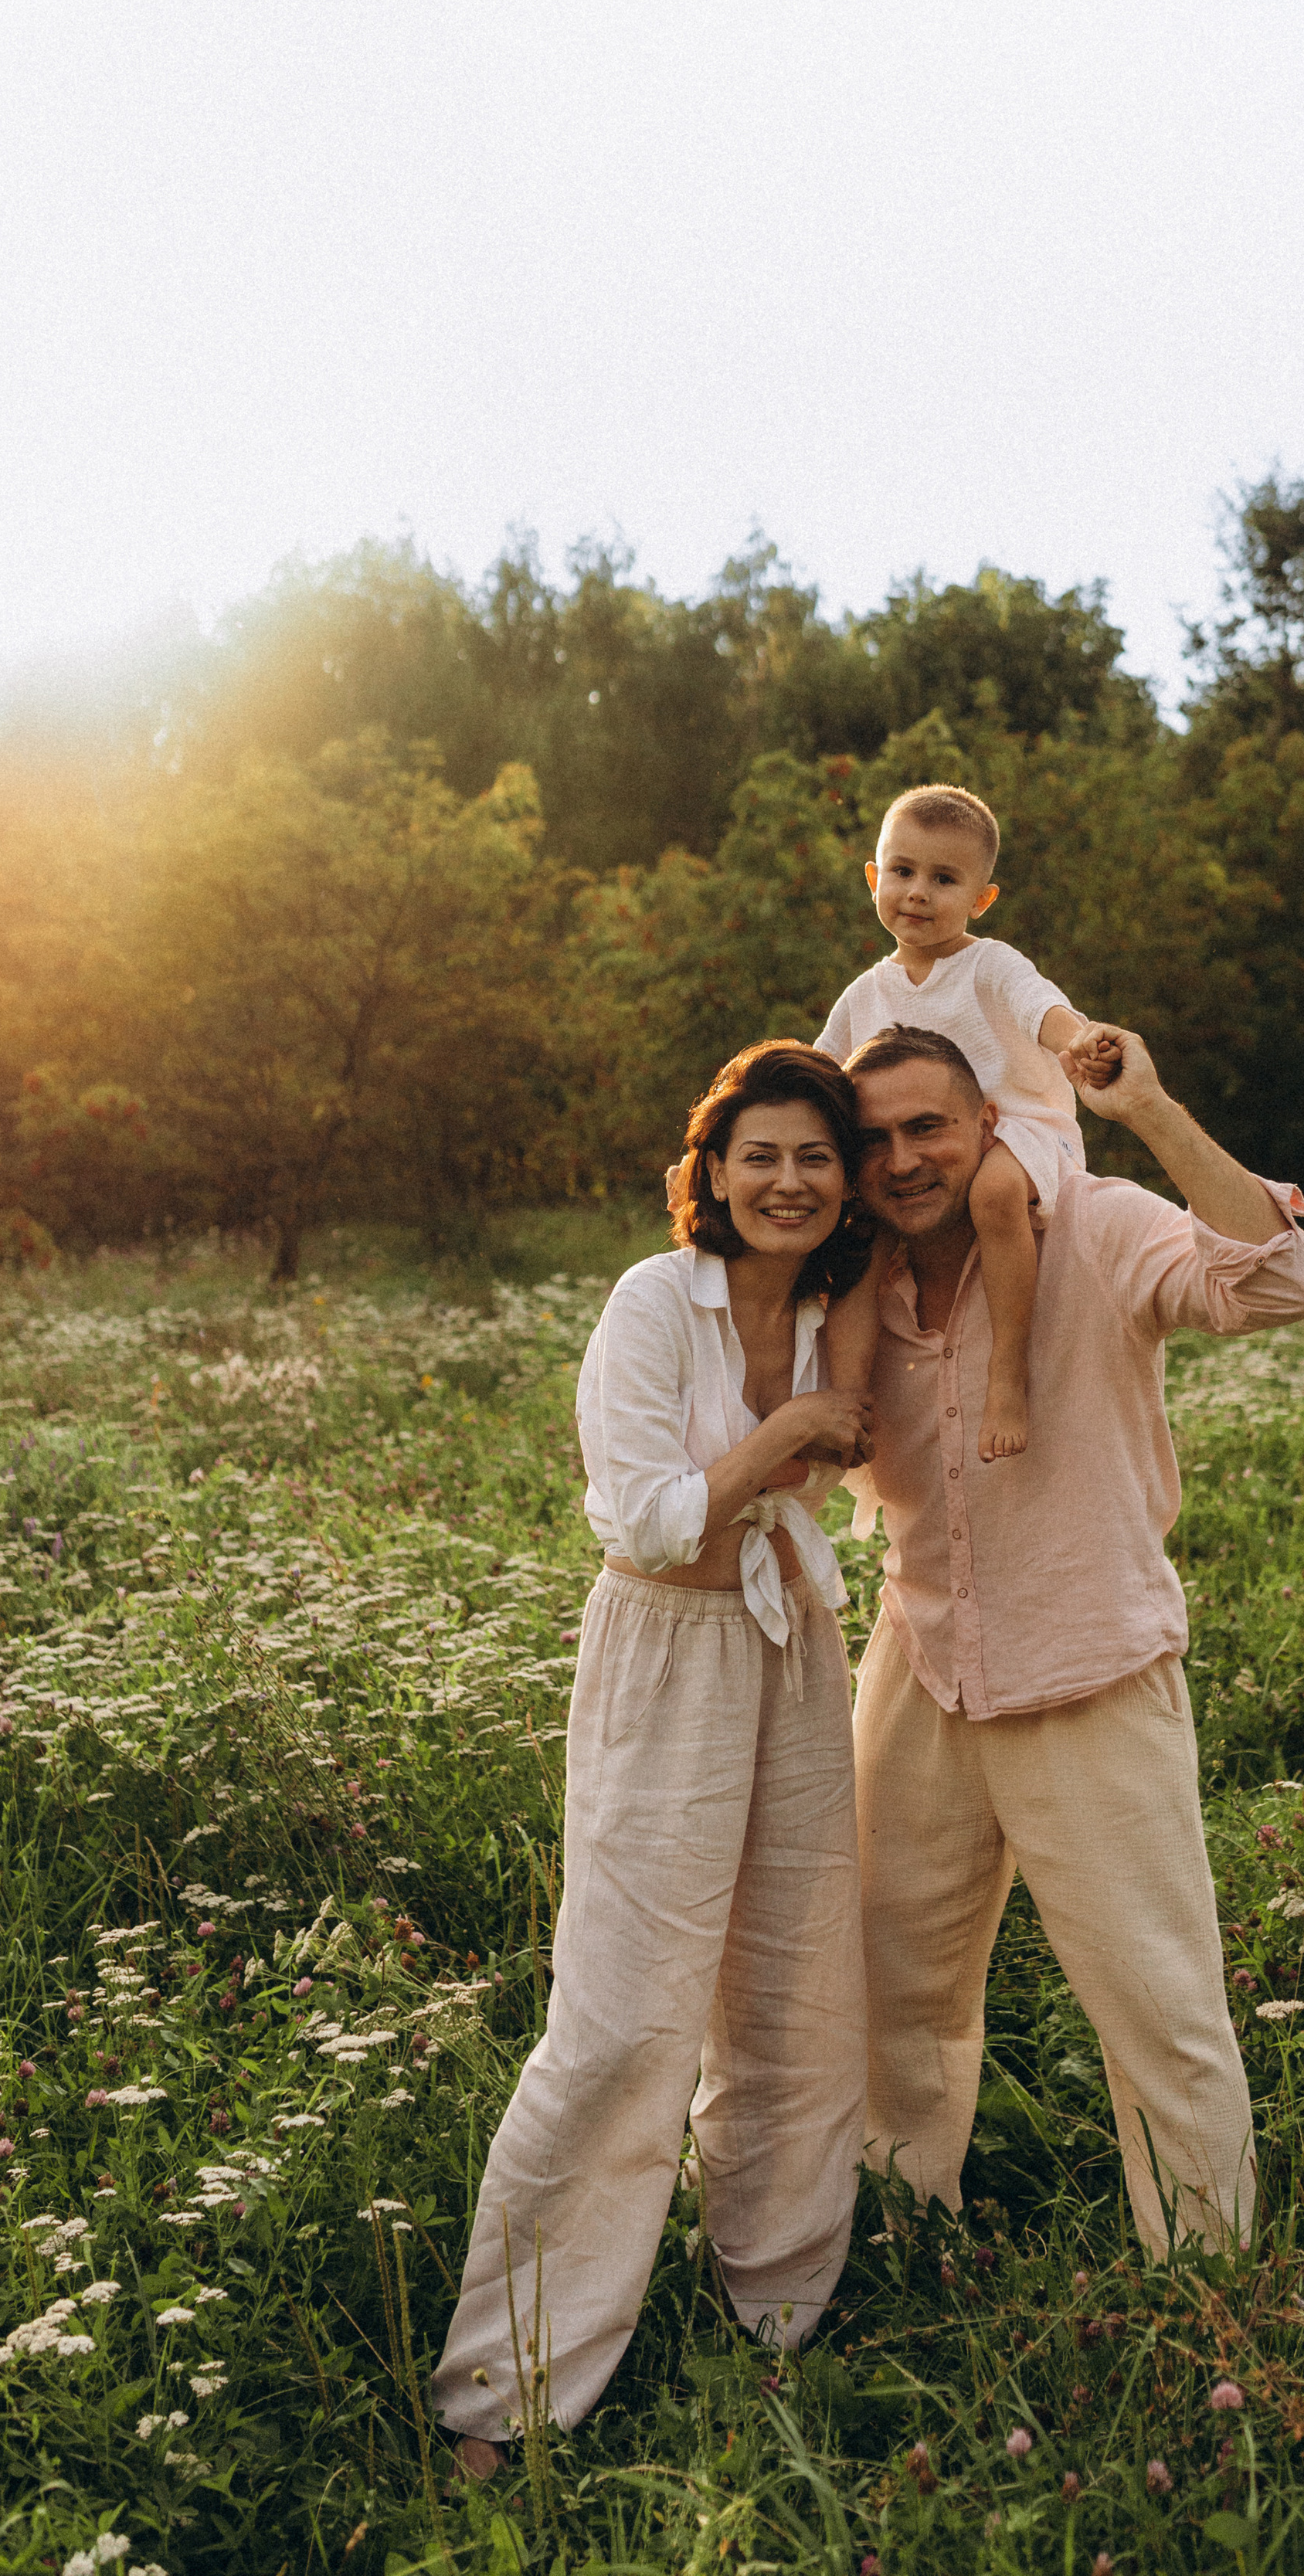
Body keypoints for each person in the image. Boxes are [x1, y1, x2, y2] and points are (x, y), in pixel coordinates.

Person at [431, 1041, 875, 2474]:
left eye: (817, 1156)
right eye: (762, 1155)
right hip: (665, 1656)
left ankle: (778, 2314)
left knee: (798, 1991)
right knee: (623, 2019)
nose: (789, 1181)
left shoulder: (837, 1305)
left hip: (793, 1646)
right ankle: (507, 2395)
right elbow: (640, 1516)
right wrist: (787, 1434)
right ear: (713, 1171)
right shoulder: (650, 1299)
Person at [840, 1019, 1304, 2255]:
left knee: (1159, 2013)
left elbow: (1278, 1281)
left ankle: (1208, 2286)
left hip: (1091, 1667)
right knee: (891, 1999)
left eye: (929, 1127)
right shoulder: (852, 1286)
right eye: (875, 1138)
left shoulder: (1097, 1227)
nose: (902, 1159)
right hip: (922, 1669)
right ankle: (901, 2246)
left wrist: (1153, 1113)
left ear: (990, 1126)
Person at [816, 782, 1121, 1464]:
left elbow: (1040, 1007)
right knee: (860, 1238)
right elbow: (815, 1073)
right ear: (873, 878)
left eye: (943, 878)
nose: (918, 892)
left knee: (992, 1191)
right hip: (921, 1147)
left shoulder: (990, 965)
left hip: (1021, 1129)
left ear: (981, 899)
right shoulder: (866, 991)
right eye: (902, 872)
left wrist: (1077, 1042)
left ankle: (1007, 1373)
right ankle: (847, 1399)